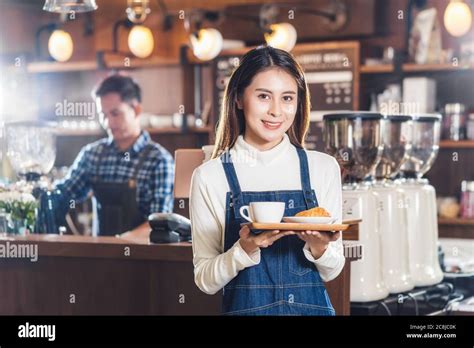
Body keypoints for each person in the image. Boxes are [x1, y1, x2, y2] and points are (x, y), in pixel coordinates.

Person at [190, 46, 345, 315]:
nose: (276, 111)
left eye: (287, 98)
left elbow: (333, 270)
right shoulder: (210, 176)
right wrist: (243, 249)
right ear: (238, 98)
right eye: (263, 96)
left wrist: (320, 247)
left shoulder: (323, 168)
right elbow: (205, 280)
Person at [55, 74, 174, 238]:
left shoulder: (159, 161)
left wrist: (121, 243)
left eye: (115, 113)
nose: (108, 123)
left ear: (137, 110)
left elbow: (160, 224)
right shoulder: (93, 155)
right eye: (103, 115)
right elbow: (62, 196)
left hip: (144, 259)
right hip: (100, 258)